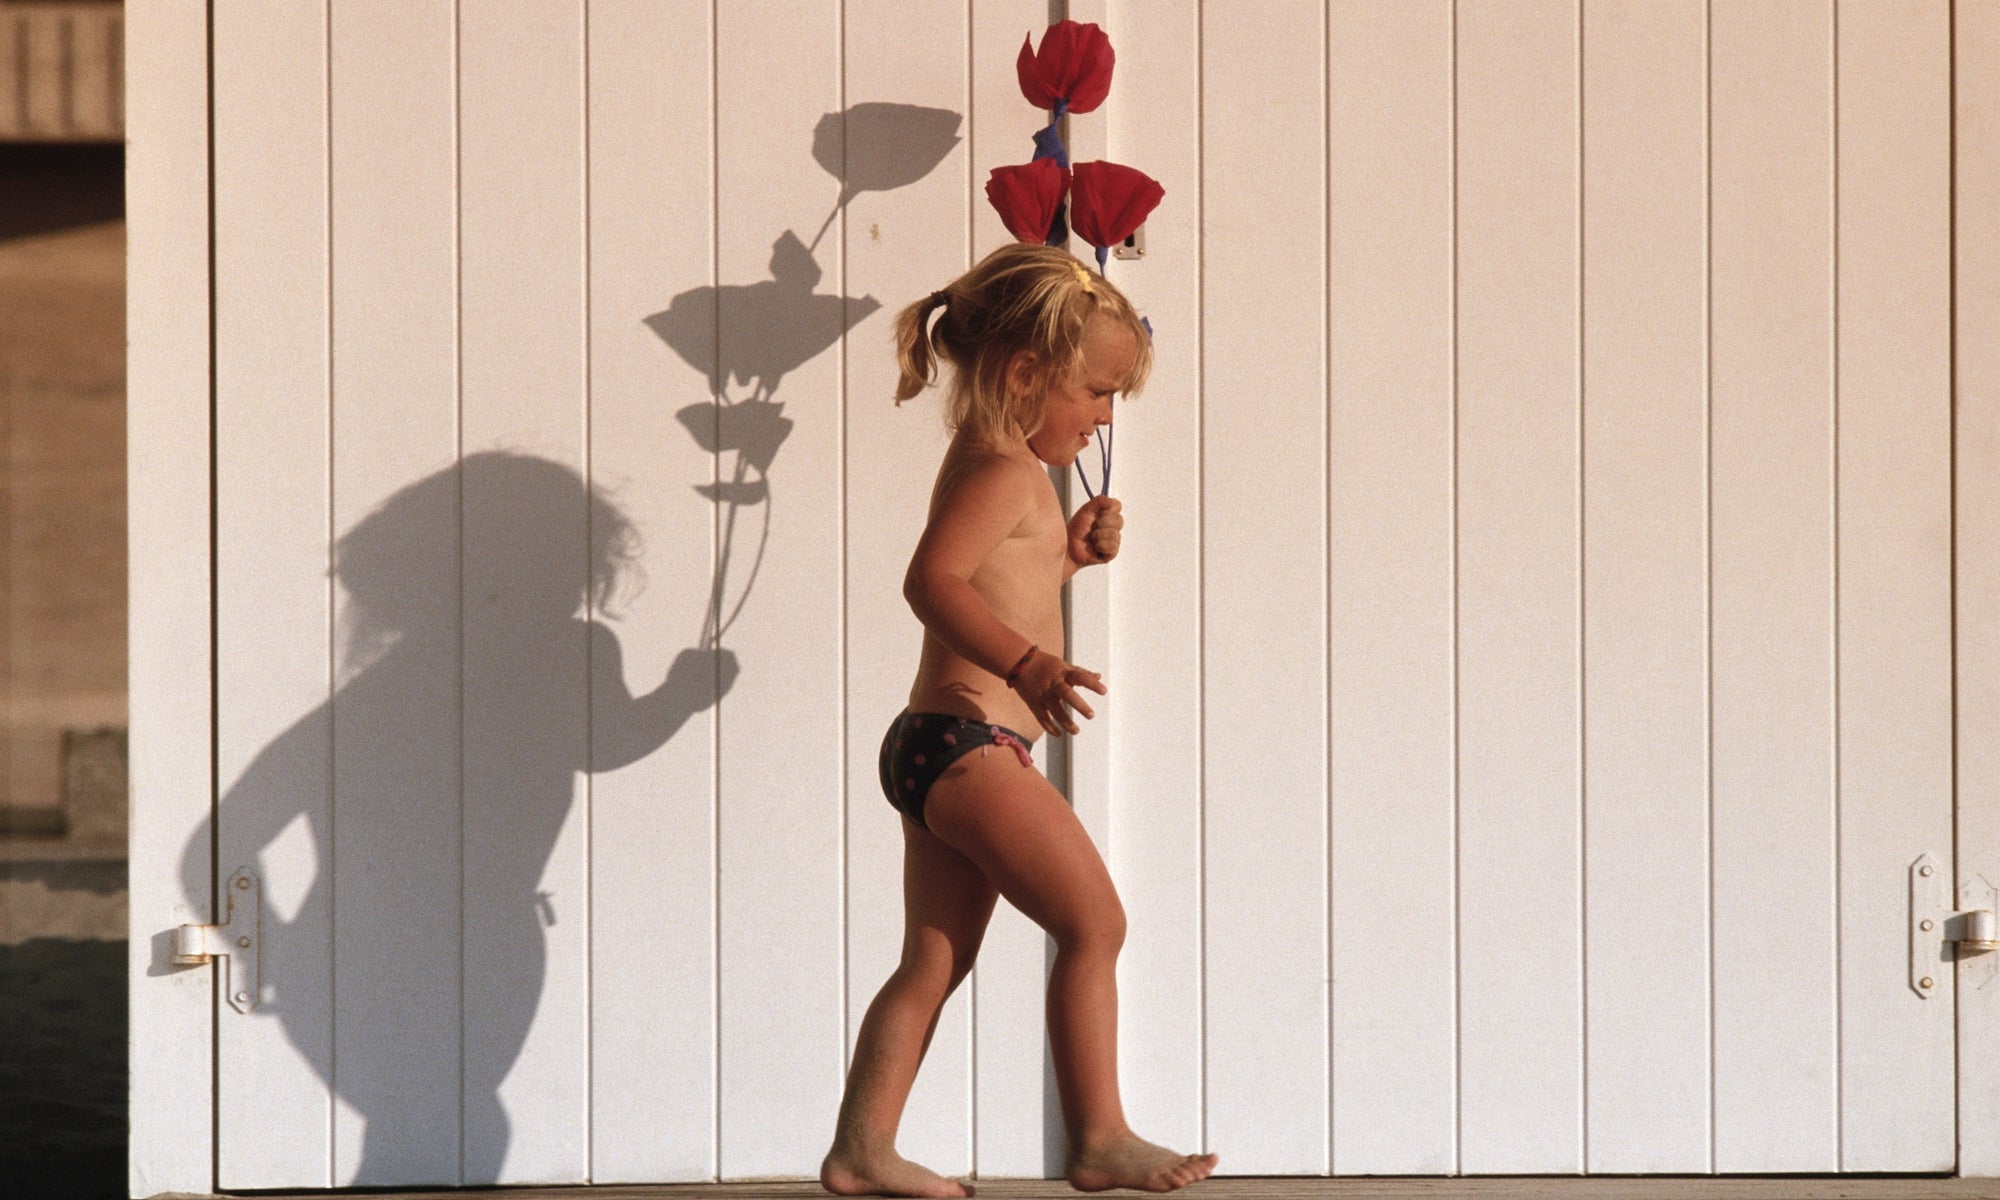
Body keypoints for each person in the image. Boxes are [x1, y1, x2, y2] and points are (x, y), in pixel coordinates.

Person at [820, 243, 1219, 1198]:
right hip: (971, 745)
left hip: (938, 745)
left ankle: (861, 1150)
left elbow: (997, 575)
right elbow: (932, 581)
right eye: (1095, 390)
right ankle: (1099, 1136)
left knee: (932, 963)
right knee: (1095, 923)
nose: (1105, 415)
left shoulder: (1004, 467)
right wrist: (1028, 662)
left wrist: (1068, 556)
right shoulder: (1002, 470)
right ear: (1025, 373)